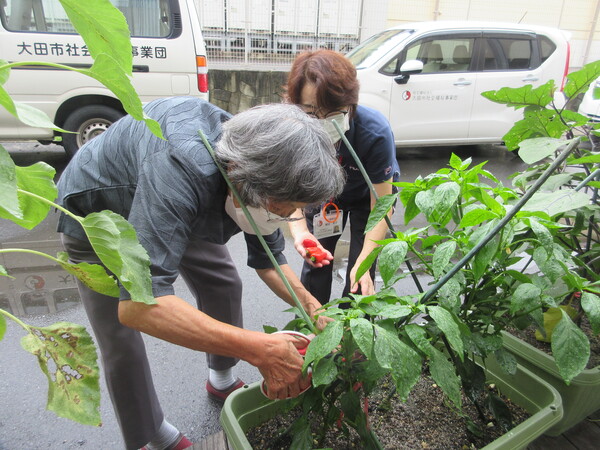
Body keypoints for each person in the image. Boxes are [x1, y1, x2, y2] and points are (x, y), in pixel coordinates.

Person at [56, 97, 345, 450]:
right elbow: (141, 306)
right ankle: (152, 435)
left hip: (175, 200)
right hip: (100, 211)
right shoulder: (182, 164)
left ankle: (221, 379)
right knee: (120, 334)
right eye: (280, 208)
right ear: (238, 172)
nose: (286, 217)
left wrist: (314, 309)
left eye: (293, 210)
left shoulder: (263, 166)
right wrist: (259, 349)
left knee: (223, 281)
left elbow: (269, 261)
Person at [286, 49, 400, 304]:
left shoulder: (375, 133)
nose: (321, 120)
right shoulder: (292, 127)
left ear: (350, 104)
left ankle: (351, 331)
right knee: (317, 259)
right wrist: (300, 231)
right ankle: (315, 323)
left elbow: (381, 206)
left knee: (361, 270)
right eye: (311, 112)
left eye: (332, 111)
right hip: (325, 195)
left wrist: (365, 258)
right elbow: (288, 192)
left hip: (366, 198)